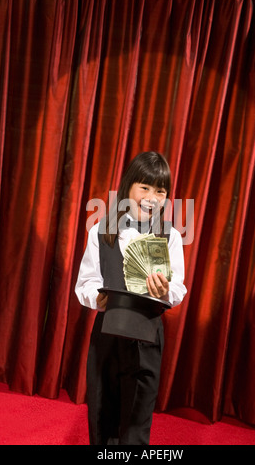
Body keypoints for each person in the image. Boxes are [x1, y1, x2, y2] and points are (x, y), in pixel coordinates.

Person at [75, 151, 187, 445]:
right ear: (128, 188)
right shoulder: (101, 230)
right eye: (145, 188)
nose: (152, 197)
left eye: (160, 191)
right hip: (108, 334)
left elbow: (178, 290)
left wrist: (166, 292)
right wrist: (94, 298)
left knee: (136, 424)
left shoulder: (171, 236)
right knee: (102, 416)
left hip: (147, 338)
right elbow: (85, 282)